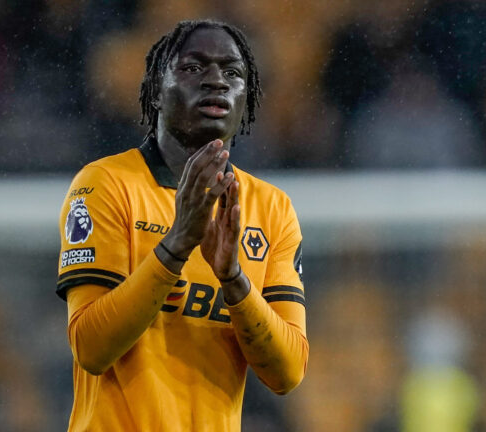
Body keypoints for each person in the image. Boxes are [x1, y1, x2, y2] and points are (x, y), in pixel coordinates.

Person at [56, 20, 308, 431]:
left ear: (247, 98)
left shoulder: (271, 210)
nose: (216, 82)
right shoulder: (106, 185)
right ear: (157, 89)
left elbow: (288, 373)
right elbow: (90, 348)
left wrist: (233, 278)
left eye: (233, 73)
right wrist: (176, 245)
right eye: (193, 68)